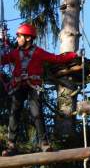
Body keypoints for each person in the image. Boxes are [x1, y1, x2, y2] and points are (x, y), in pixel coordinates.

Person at [1, 23, 78, 156]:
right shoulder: (14, 54)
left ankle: (44, 144)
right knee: (14, 114)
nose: (18, 39)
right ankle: (11, 145)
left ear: (28, 38)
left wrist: (73, 55)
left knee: (37, 114)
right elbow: (2, 60)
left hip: (33, 87)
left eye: (20, 36)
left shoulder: (38, 53)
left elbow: (56, 59)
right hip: (19, 87)